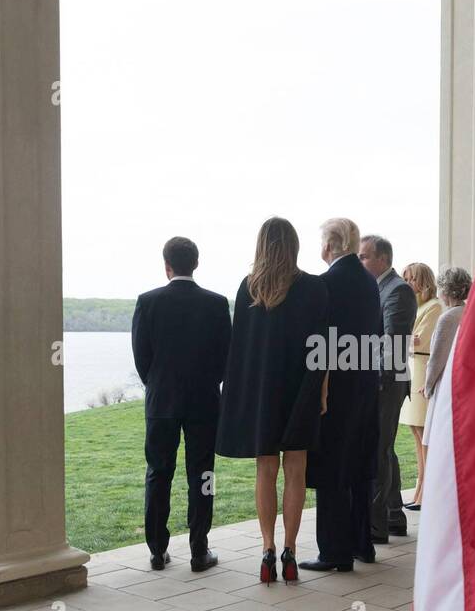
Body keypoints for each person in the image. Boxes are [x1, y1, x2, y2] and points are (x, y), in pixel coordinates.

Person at [217, 216, 329, 584]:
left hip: (262, 393)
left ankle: (266, 550)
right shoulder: (314, 288)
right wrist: (323, 392)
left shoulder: (247, 288)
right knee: (296, 470)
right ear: (295, 245)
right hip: (301, 391)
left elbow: (239, 351)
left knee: (265, 470)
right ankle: (290, 551)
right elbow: (321, 349)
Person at [131, 236, 232, 573]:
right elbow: (225, 358)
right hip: (204, 400)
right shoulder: (217, 304)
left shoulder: (148, 302)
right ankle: (199, 551)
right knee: (202, 474)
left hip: (162, 400)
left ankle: (157, 550)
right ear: (196, 263)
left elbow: (142, 358)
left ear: (167, 266)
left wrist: (158, 384)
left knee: (158, 474)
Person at [301, 219, 383, 572]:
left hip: (335, 390)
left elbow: (317, 341)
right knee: (360, 466)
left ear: (329, 245)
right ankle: (361, 543)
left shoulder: (326, 284)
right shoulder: (369, 281)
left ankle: (334, 551)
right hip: (366, 386)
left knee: (333, 469)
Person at [358, 234, 416, 543]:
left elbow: (393, 343)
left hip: (387, 381)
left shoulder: (398, 290)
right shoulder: (379, 288)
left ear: (382, 259)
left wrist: (373, 379)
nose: (360, 262)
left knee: (378, 450)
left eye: (364, 257)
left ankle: (376, 526)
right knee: (386, 449)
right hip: (384, 379)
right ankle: (394, 516)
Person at [397, 262, 442, 510]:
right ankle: (419, 492)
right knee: (417, 435)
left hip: (423, 370)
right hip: (415, 369)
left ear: (422, 280)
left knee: (426, 437)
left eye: (410, 278)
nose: (406, 282)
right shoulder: (419, 306)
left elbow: (418, 340)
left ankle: (427, 494)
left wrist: (395, 337)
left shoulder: (434, 306)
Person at [421, 266, 471, 448]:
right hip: (463, 381)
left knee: (435, 440)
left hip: (445, 384)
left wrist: (427, 386)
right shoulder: (469, 312)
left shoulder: (447, 318)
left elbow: (437, 358)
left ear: (446, 290)